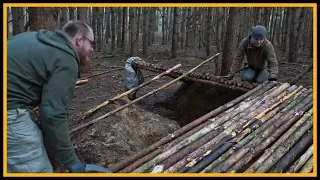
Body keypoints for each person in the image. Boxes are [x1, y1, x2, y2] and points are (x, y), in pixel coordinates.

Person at [7, 20, 111, 173]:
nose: (92, 50)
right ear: (80, 40)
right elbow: (54, 114)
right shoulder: (65, 59)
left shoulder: (38, 40)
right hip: (9, 110)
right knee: (37, 169)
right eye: (92, 44)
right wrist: (72, 163)